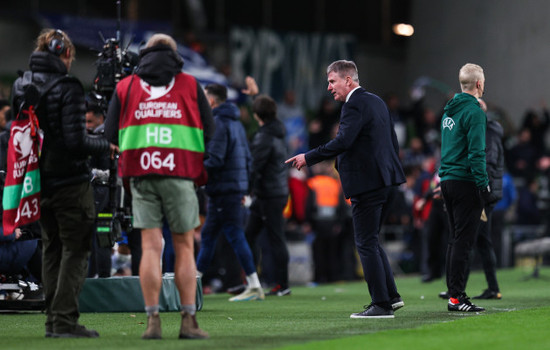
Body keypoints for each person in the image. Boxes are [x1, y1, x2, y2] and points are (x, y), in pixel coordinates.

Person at [104, 33, 213, 340]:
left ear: (145, 53)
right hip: (179, 171)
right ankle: (188, 320)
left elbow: (110, 132)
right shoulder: (190, 85)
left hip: (141, 172)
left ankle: (152, 321)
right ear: (175, 55)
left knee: (151, 246)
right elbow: (210, 128)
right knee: (183, 245)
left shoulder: (125, 86)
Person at [11, 29, 115, 337]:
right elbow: (75, 141)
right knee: (76, 249)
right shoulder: (68, 87)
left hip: (36, 182)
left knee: (51, 247)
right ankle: (64, 321)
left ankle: (53, 321)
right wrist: (104, 146)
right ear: (64, 53)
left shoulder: (20, 83)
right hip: (70, 182)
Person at [286, 60, 406, 318]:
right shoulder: (376, 101)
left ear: (348, 80)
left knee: (364, 243)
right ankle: (392, 297)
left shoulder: (354, 104)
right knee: (372, 240)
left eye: (332, 81)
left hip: (368, 184)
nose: (329, 88)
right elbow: (392, 142)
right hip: (386, 181)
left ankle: (381, 304)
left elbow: (344, 140)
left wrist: (309, 157)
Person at [438, 63, 499, 313]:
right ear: (479, 84)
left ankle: (454, 294)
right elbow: (477, 153)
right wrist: (484, 187)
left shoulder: (448, 112)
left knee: (455, 240)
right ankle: (457, 297)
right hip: (466, 182)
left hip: (447, 180)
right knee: (464, 241)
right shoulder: (474, 112)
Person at [195, 83, 264, 301]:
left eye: (205, 98)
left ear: (212, 101)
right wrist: (245, 187)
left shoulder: (217, 123)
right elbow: (248, 160)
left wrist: (192, 170)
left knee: (233, 235)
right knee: (209, 236)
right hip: (230, 189)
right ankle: (195, 282)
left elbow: (214, 159)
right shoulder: (236, 124)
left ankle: (253, 284)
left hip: (224, 190)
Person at [242, 77, 291, 297]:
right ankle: (258, 281)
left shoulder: (264, 137)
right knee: (252, 236)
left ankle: (280, 284)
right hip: (274, 192)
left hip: (268, 195)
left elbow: (255, 167)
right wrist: (255, 95)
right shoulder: (277, 131)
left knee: (272, 238)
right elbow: (264, 110)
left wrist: (245, 191)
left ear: (256, 116)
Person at [467, 105, 504, 300]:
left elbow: (487, 163)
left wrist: (482, 192)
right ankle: (492, 287)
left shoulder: (487, 132)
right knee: (481, 240)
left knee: (473, 239)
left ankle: (458, 289)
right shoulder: (490, 130)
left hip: (484, 194)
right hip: (488, 192)